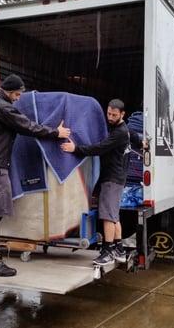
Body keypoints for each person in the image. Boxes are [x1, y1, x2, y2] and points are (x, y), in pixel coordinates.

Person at [0, 74, 71, 277]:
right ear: (9, 91)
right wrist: (56, 133)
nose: (19, 97)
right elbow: (27, 126)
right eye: (17, 94)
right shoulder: (2, 107)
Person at [61, 99, 143, 265]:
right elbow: (134, 136)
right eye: (108, 113)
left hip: (112, 179)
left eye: (114, 115)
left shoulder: (119, 132)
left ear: (122, 114)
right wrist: (142, 142)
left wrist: (75, 149)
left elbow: (99, 148)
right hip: (117, 178)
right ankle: (119, 248)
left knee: (106, 216)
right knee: (114, 216)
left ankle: (108, 251)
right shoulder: (123, 129)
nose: (110, 117)